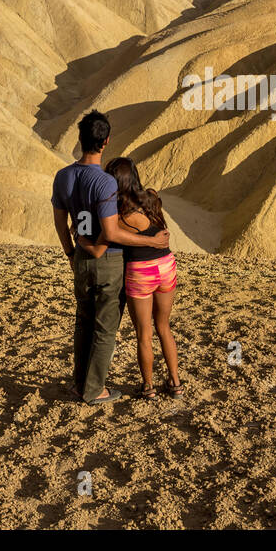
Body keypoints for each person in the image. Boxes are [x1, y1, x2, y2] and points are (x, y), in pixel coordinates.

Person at [51, 111, 168, 404]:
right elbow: (111, 232)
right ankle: (94, 390)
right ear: (105, 142)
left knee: (83, 322)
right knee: (105, 329)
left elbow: (60, 222)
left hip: (79, 257)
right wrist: (149, 240)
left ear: (80, 139)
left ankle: (80, 384)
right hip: (109, 262)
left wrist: (70, 252)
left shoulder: (63, 177)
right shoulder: (105, 182)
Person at [76, 157, 183, 400]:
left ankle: (148, 387)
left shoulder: (118, 215)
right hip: (166, 265)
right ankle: (175, 383)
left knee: (144, 333)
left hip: (141, 271)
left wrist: (80, 238)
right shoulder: (153, 197)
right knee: (164, 327)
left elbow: (100, 246)